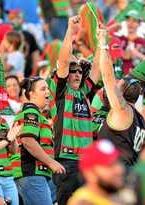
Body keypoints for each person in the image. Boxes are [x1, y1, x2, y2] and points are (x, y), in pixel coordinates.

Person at [48, 15, 101, 205]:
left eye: (80, 71)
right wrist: (70, 30)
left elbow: (97, 69)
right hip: (66, 160)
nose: (77, 74)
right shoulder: (60, 91)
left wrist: (102, 42)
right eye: (73, 71)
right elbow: (63, 61)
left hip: (87, 161)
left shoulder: (85, 91)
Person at [97, 27, 145, 167]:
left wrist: (103, 43)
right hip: (129, 172)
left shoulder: (122, 110)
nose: (119, 82)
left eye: (122, 80)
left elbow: (107, 76)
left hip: (114, 172)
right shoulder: (141, 120)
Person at [13, 77, 65, 205]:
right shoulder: (31, 112)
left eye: (47, 88)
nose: (48, 92)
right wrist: (51, 163)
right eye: (43, 89)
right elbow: (27, 140)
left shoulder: (37, 114)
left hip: (36, 174)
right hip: (30, 173)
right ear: (32, 94)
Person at [68, 139, 124, 205]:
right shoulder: (84, 202)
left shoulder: (115, 196)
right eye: (109, 166)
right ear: (90, 174)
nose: (119, 170)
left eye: (117, 163)